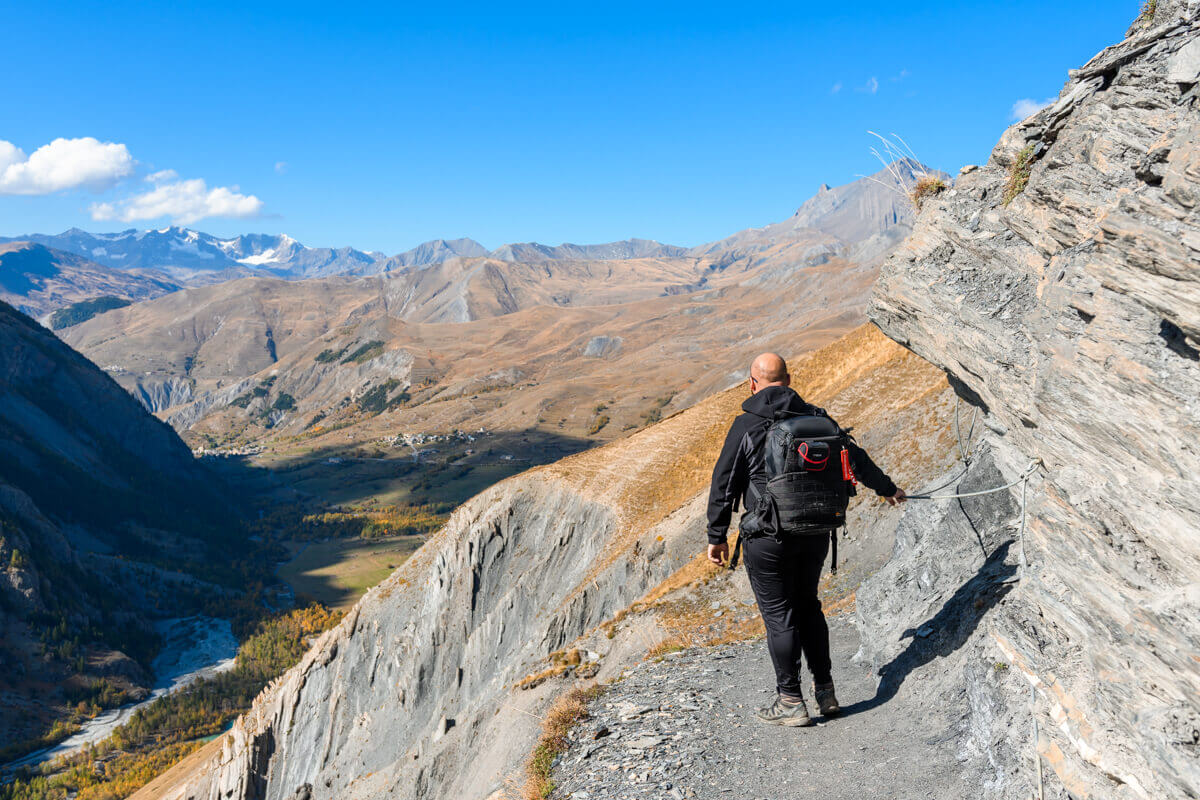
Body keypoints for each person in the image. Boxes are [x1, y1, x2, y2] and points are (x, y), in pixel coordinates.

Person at [706, 352, 906, 727]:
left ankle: (790, 702)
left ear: (752, 383)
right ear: (789, 379)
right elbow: (855, 459)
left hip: (767, 536)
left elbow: (723, 481)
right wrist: (888, 489)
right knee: (809, 607)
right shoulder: (817, 418)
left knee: (780, 614)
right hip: (816, 531)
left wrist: (717, 535)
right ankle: (826, 691)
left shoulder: (746, 424)